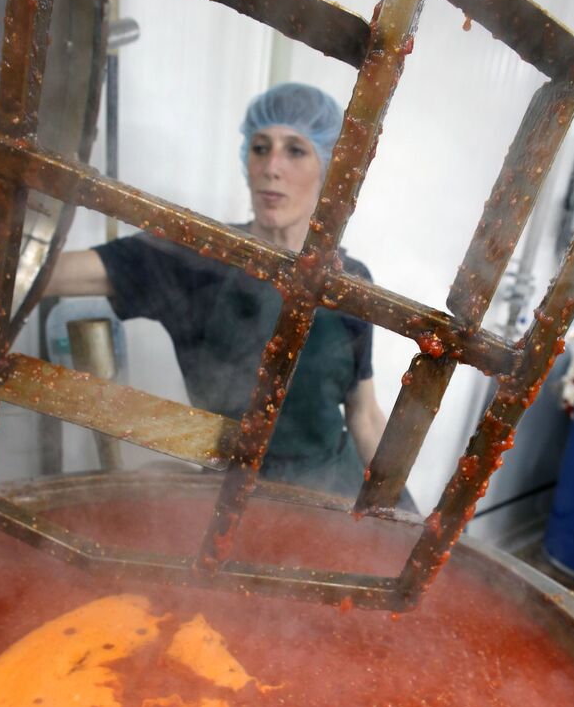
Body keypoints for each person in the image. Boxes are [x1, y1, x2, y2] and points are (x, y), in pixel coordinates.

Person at [44, 83, 390, 498]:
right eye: (260, 148)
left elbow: (364, 415)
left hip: (333, 491)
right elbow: (51, 273)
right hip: (233, 496)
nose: (271, 166)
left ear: (329, 169)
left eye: (295, 150)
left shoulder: (350, 279)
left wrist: (401, 508)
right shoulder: (205, 255)